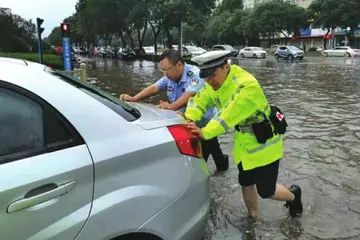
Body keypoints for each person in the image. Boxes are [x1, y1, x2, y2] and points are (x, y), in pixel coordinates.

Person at [184, 50, 303, 218]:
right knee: (245, 182)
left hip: (265, 145)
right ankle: (252, 217)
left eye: (213, 75)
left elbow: (229, 114)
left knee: (266, 190)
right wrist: (188, 118)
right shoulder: (213, 84)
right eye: (206, 77)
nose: (209, 81)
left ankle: (293, 195)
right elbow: (200, 100)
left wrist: (204, 133)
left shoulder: (247, 85)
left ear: (226, 67)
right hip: (243, 144)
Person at [119, 49, 229, 172]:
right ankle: (222, 164)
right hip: (185, 120)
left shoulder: (195, 75)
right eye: (162, 70)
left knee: (201, 159)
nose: (165, 74)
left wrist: (170, 107)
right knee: (211, 147)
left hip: (204, 121)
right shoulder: (169, 77)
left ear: (179, 65)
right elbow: (154, 88)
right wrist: (134, 99)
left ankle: (212, 172)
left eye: (167, 70)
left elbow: (189, 96)